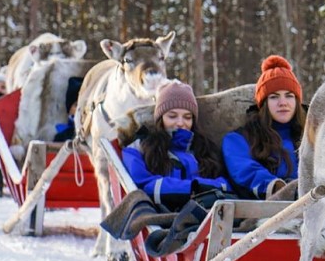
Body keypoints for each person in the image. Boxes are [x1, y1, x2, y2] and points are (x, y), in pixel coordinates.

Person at [121, 80, 229, 210]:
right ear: (160, 118)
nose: (180, 123)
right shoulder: (140, 147)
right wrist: (193, 188)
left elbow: (226, 184)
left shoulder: (205, 149)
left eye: (187, 117)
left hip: (208, 216)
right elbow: (142, 185)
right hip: (161, 218)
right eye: (172, 116)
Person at [221, 55, 303, 198]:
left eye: (289, 96)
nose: (283, 102)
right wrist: (277, 187)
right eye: (274, 97)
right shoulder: (239, 139)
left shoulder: (313, 136)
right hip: (266, 211)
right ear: (264, 104)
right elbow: (245, 170)